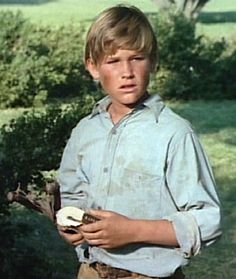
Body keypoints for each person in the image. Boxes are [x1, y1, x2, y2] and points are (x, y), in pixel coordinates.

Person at [57, 4, 222, 279]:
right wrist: (71, 225)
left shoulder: (174, 133)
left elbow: (207, 221)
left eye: (137, 58)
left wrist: (132, 231)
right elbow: (73, 195)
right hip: (90, 272)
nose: (127, 72)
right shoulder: (84, 132)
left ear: (153, 61)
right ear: (93, 67)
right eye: (113, 61)